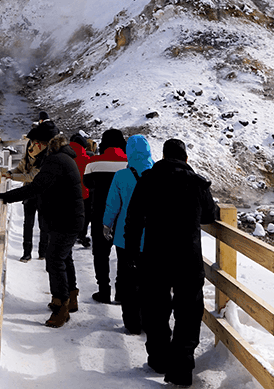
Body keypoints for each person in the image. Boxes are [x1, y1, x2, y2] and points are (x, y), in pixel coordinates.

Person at [124, 138, 218, 387]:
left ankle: (158, 359)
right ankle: (182, 367)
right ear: (186, 158)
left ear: (163, 157)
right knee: (188, 310)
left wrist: (132, 253)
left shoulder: (148, 179)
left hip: (155, 256)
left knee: (155, 307)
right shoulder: (197, 183)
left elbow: (133, 219)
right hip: (188, 257)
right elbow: (211, 215)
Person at [0, 122, 85, 328]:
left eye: (34, 143)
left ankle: (61, 306)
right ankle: (69, 298)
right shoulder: (60, 157)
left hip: (65, 219)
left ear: (42, 144)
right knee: (64, 258)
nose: (31, 147)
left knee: (54, 261)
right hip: (68, 217)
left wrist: (4, 197)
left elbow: (35, 187)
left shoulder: (55, 161)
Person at [103, 133, 154, 335]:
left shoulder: (121, 176)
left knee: (128, 280)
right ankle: (148, 319)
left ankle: (131, 322)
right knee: (150, 280)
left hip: (125, 238)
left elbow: (112, 206)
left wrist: (106, 226)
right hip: (152, 237)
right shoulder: (157, 174)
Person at [83, 128, 127, 303]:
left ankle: (104, 290)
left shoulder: (93, 162)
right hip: (124, 216)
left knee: (100, 254)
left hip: (100, 214)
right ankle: (121, 291)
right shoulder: (129, 162)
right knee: (123, 254)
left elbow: (87, 184)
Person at [3, 120, 56, 262]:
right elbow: (22, 166)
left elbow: (32, 176)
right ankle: (27, 252)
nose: (32, 145)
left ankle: (42, 252)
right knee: (28, 223)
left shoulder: (47, 157)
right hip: (28, 192)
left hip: (42, 192)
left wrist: (12, 176)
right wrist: (10, 172)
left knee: (43, 224)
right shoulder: (31, 148)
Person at [68, 132, 94, 248]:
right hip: (84, 192)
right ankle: (81, 234)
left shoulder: (65, 156)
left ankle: (71, 235)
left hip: (66, 192)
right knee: (85, 215)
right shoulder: (88, 159)